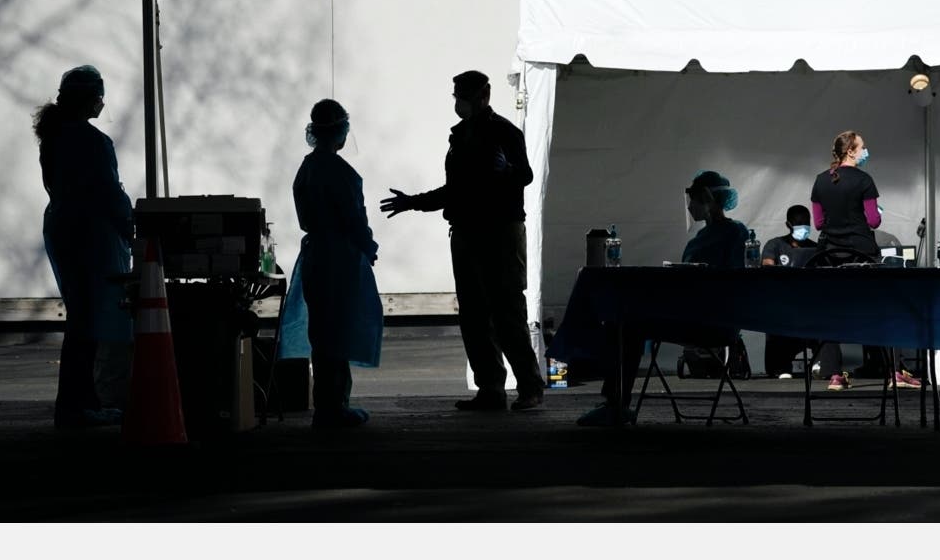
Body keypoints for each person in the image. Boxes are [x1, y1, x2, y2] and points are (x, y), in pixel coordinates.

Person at [380, 71, 544, 412]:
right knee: (474, 315)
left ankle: (529, 388)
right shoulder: (461, 136)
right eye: (456, 94)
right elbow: (455, 190)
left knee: (506, 313)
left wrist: (506, 172)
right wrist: (413, 201)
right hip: (468, 233)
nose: (459, 102)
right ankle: (491, 390)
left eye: (464, 95)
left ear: (484, 95)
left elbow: (525, 175)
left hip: (499, 233)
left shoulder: (504, 133)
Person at [577, 169, 749, 426]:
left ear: (706, 198)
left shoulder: (735, 233)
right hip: (692, 315)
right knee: (622, 321)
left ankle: (616, 403)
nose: (690, 206)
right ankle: (615, 401)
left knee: (629, 327)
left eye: (693, 199)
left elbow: (734, 279)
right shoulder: (701, 238)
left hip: (714, 320)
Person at [33, 65, 133, 429]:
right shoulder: (94, 142)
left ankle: (77, 404)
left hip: (62, 228)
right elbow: (110, 194)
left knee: (80, 315)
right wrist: (131, 227)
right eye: (99, 97)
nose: (102, 103)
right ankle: (79, 406)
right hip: (91, 235)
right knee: (88, 321)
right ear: (90, 99)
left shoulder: (54, 138)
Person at [291, 99, 383, 428]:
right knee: (338, 331)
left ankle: (326, 406)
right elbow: (353, 218)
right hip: (339, 259)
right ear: (341, 132)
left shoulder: (307, 168)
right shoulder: (340, 172)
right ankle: (334, 407)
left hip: (316, 257)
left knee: (322, 332)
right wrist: (368, 245)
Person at [810, 130, 920, 389]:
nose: (865, 151)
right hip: (861, 252)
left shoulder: (820, 181)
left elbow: (818, 223)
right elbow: (873, 221)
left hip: (829, 254)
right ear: (851, 151)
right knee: (880, 308)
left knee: (830, 311)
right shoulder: (864, 180)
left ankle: (835, 375)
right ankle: (894, 371)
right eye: (863, 147)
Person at [761, 205, 843, 382]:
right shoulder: (775, 245)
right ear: (788, 224)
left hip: (813, 308)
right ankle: (781, 368)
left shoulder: (817, 249)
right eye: (798, 223)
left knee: (829, 323)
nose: (803, 227)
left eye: (806, 223)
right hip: (785, 307)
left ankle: (824, 367)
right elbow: (767, 268)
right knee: (775, 323)